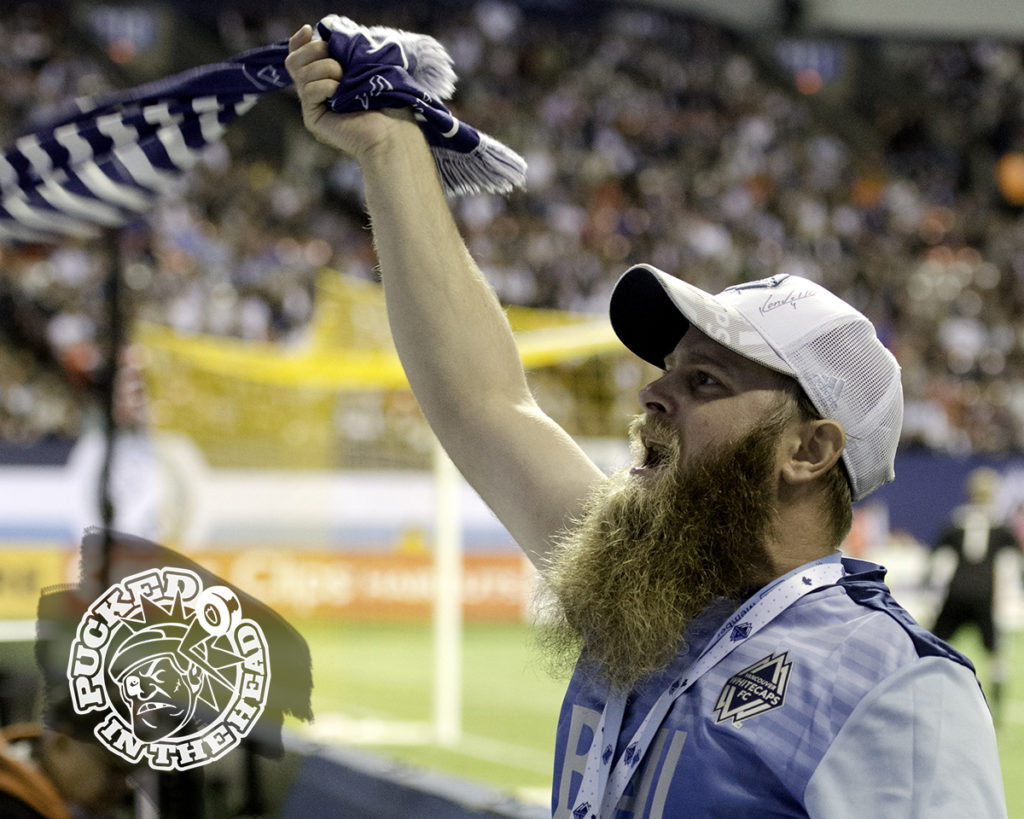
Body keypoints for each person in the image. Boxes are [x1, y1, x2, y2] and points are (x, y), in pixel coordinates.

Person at [285, 23, 1007, 817]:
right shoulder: (645, 590)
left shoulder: (894, 688)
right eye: (668, 373)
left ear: (808, 448)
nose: (652, 398)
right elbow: (484, 403)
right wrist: (391, 150)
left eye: (705, 380)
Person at [927, 466, 1022, 727]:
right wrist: (1004, 604)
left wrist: (935, 601)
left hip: (956, 592)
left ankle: (926, 698)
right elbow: (1008, 569)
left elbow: (940, 566)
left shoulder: (956, 523)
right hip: (984, 596)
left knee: (930, 649)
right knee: (996, 656)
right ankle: (998, 713)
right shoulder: (1001, 529)